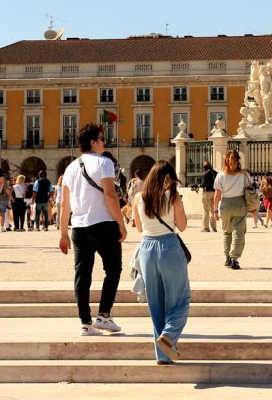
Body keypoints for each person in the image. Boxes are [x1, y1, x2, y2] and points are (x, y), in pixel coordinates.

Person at [59, 123, 127, 336]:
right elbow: (110, 195)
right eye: (101, 138)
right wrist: (122, 224)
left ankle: (85, 324)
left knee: (82, 275)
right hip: (103, 224)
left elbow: (64, 204)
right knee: (113, 270)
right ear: (93, 142)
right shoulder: (105, 162)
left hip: (79, 228)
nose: (104, 142)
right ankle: (104, 315)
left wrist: (62, 234)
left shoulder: (70, 167)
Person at [132, 160, 190, 366]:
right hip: (168, 247)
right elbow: (182, 226)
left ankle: (163, 355)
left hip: (146, 249)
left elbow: (138, 228)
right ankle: (168, 335)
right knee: (180, 300)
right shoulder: (173, 197)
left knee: (155, 304)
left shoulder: (139, 197)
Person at [213, 149, 249, 270]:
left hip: (226, 205)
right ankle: (234, 259)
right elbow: (253, 188)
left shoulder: (220, 175)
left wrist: (215, 210)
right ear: (238, 160)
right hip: (240, 203)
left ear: (225, 160)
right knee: (238, 232)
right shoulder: (243, 174)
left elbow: (217, 196)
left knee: (227, 232)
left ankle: (227, 257)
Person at [200, 161, 217, 232]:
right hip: (214, 192)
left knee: (206, 210)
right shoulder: (215, 173)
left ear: (204, 167)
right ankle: (214, 227)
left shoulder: (206, 173)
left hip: (207, 193)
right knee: (213, 210)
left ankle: (206, 228)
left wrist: (198, 185)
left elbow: (203, 184)